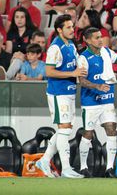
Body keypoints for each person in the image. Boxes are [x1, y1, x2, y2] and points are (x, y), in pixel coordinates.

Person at [77, 27, 117, 178]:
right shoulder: (83, 58)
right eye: (96, 37)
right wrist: (97, 86)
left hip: (107, 99)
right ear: (87, 40)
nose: (100, 40)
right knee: (88, 133)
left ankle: (110, 168)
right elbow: (82, 81)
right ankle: (83, 167)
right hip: (90, 101)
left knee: (111, 130)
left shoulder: (106, 51)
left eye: (100, 37)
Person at [35, 15, 87, 178]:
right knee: (64, 128)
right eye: (69, 27)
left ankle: (44, 160)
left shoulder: (70, 44)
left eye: (72, 27)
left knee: (65, 129)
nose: (72, 30)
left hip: (69, 91)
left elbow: (77, 64)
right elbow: (48, 71)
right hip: (58, 93)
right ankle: (66, 168)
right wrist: (73, 73)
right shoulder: (54, 48)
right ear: (59, 29)